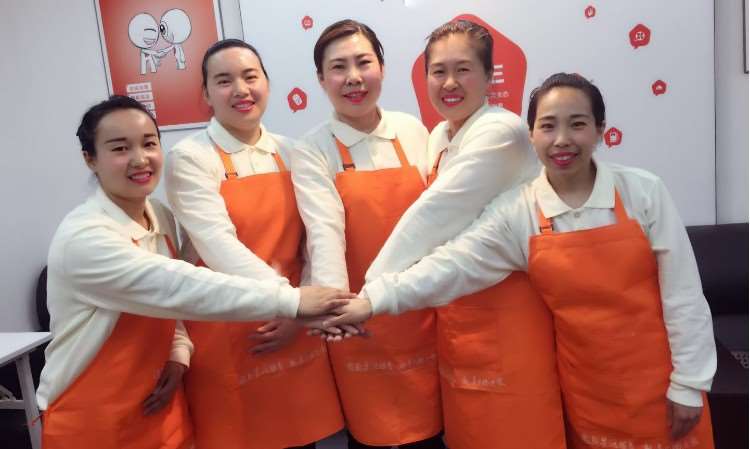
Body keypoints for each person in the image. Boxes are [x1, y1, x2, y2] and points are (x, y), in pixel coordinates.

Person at [328, 73, 717, 449]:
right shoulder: (519, 212)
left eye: (577, 124)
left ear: (600, 130)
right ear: (530, 135)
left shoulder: (642, 192)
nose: (561, 139)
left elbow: (683, 295)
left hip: (662, 385)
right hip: (586, 390)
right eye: (548, 126)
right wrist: (372, 299)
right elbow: (450, 266)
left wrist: (688, 383)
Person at [38, 95, 353, 449]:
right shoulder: (85, 238)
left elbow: (164, 307)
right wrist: (291, 300)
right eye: (120, 148)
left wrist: (178, 352)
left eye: (149, 144)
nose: (140, 159)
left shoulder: (159, 215)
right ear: (90, 159)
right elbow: (177, 286)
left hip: (160, 405)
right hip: (94, 420)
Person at [349, 19, 563, 449]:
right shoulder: (439, 136)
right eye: (438, 71)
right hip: (456, 321)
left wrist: (371, 290)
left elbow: (436, 213)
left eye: (463, 69)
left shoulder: (501, 131)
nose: (449, 83)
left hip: (509, 318)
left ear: (488, 76)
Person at [164, 38, 345, 449]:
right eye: (224, 81)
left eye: (250, 76)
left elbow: (315, 239)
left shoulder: (292, 151)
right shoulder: (190, 158)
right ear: (206, 94)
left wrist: (300, 313)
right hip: (229, 331)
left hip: (293, 328)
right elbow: (218, 246)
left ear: (267, 82)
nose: (241, 90)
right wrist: (291, 303)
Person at [291, 19, 444, 449]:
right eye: (338, 67)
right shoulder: (313, 148)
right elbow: (323, 229)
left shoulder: (412, 130)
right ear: (321, 79)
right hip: (356, 320)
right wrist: (337, 304)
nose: (353, 77)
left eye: (364, 62)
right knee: (370, 435)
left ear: (382, 67)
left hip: (421, 312)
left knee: (434, 434)